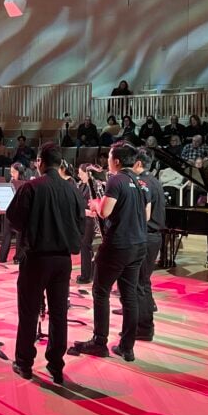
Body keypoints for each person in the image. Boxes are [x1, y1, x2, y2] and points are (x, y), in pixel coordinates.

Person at [6, 143, 85, 385]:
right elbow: (80, 225)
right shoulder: (73, 190)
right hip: (63, 260)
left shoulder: (31, 187)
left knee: (29, 312)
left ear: (40, 162)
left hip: (37, 258)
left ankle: (24, 362)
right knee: (59, 313)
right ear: (61, 163)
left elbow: (14, 219)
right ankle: (56, 365)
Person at [69, 142, 150, 363]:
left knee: (101, 291)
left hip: (118, 245)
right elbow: (145, 215)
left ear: (116, 160)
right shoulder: (141, 182)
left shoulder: (116, 180)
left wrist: (96, 203)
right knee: (129, 295)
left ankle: (99, 342)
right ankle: (127, 347)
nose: (107, 162)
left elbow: (105, 211)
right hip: (138, 245)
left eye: (109, 157)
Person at [132, 149, 165, 341]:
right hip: (154, 237)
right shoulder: (155, 181)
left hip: (146, 236)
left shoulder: (144, 183)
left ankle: (144, 328)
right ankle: (142, 323)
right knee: (143, 282)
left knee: (140, 284)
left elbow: (144, 214)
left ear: (138, 163)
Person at [76, 163, 104, 285]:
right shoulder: (81, 185)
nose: (79, 175)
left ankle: (86, 275)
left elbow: (100, 202)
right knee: (85, 246)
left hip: (92, 219)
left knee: (86, 246)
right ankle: (88, 273)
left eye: (81, 174)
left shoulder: (96, 185)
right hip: (84, 218)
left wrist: (90, 211)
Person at [0, 163, 27, 264]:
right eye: (11, 172)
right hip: (10, 211)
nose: (11, 174)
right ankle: (2, 257)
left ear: (20, 172)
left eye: (13, 172)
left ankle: (18, 257)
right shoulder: (11, 182)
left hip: (20, 213)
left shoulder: (25, 184)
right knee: (6, 234)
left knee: (19, 236)